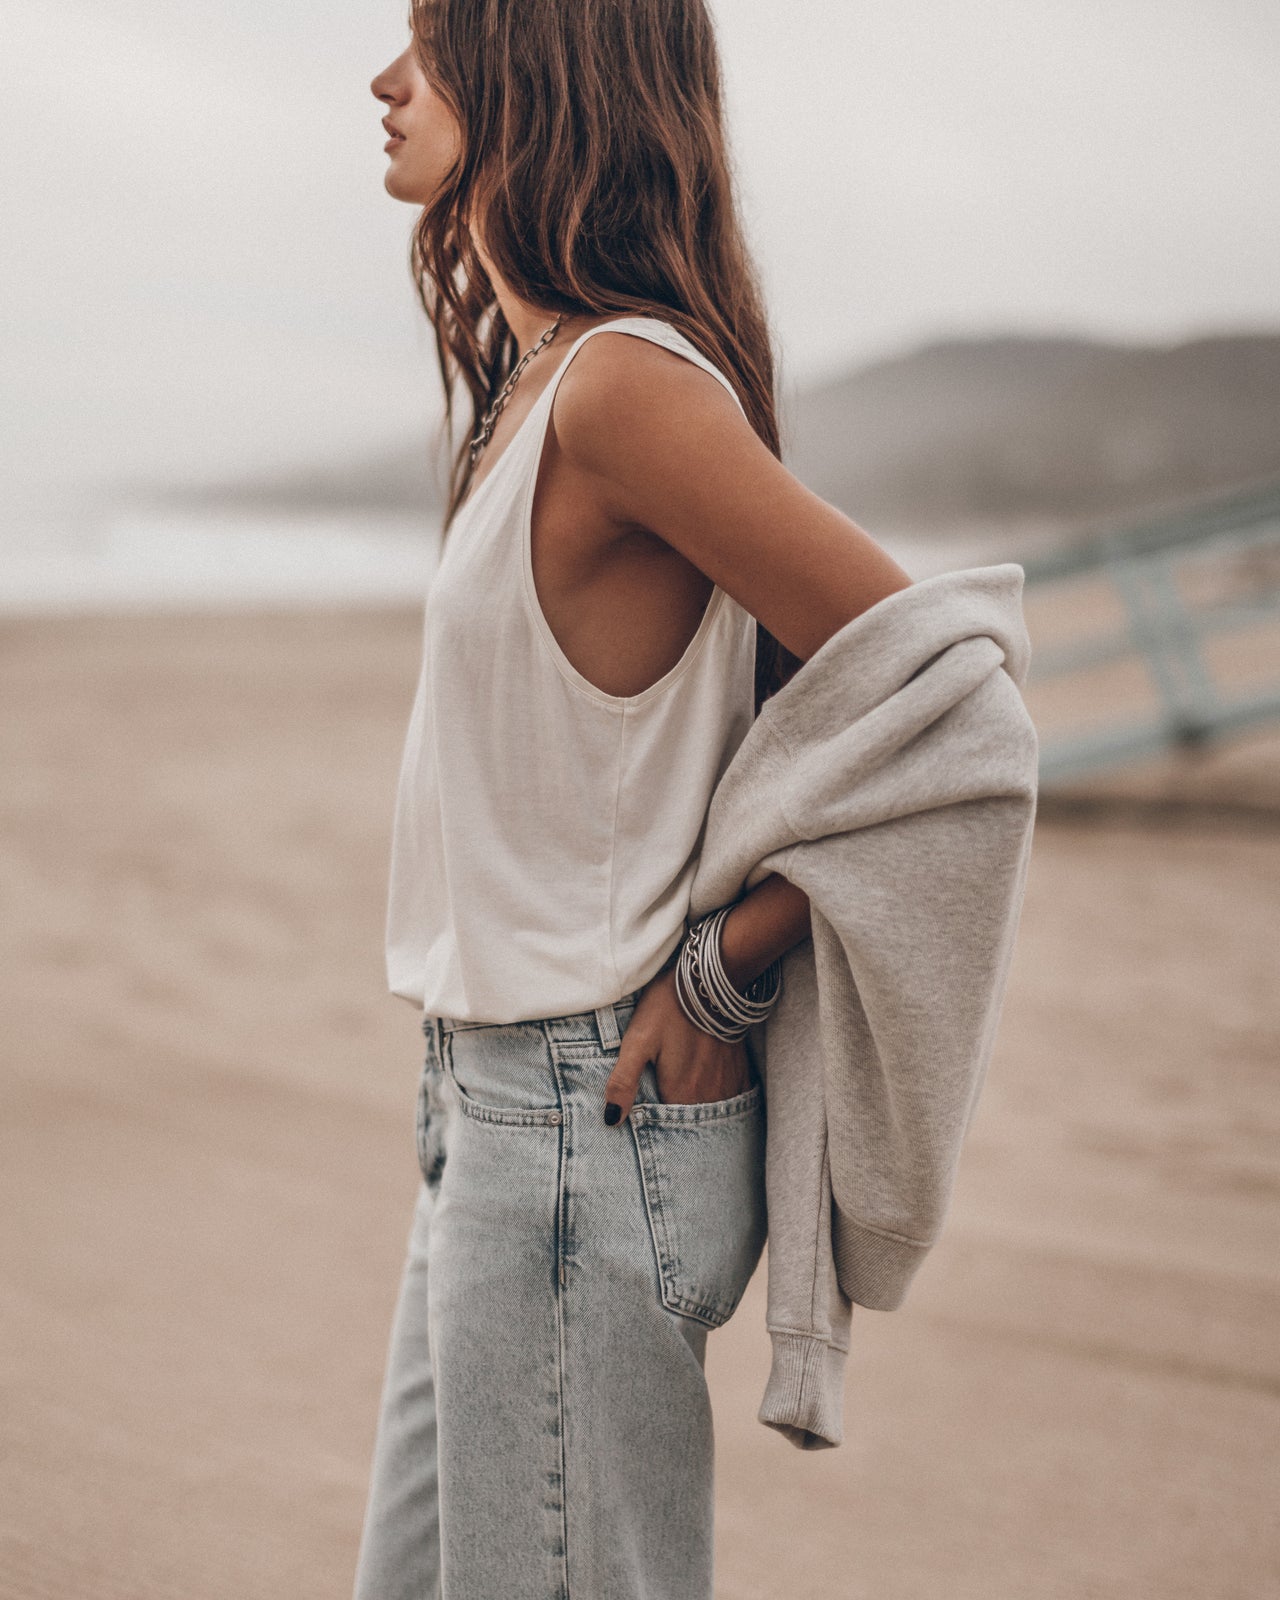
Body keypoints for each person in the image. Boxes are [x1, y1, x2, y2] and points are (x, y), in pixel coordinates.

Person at [355, 2, 915, 1597]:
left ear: (536, 67)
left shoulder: (626, 392)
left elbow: (949, 691)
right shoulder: (537, 386)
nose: (387, 84)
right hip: (487, 1116)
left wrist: (735, 959)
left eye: (429, 45)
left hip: (583, 1121)